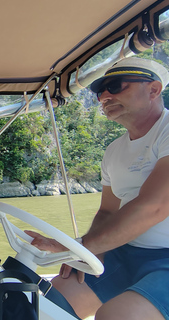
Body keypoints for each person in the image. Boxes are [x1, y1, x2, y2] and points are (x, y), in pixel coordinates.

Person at [26, 57, 169, 320]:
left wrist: (81, 246)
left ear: (154, 90)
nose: (103, 95)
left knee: (116, 315)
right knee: (49, 305)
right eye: (99, 90)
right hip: (125, 252)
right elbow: (106, 213)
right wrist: (86, 253)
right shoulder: (113, 151)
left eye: (115, 86)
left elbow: (154, 206)